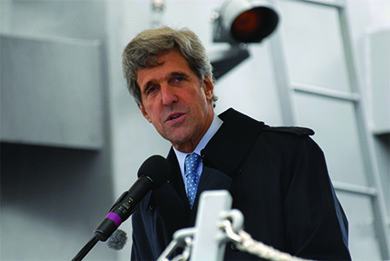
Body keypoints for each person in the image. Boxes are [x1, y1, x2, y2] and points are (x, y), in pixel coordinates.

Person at [122, 26, 351, 260]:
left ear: (207, 87)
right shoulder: (146, 199)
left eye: (177, 79)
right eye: (152, 89)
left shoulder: (289, 155)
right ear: (145, 112)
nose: (167, 98)